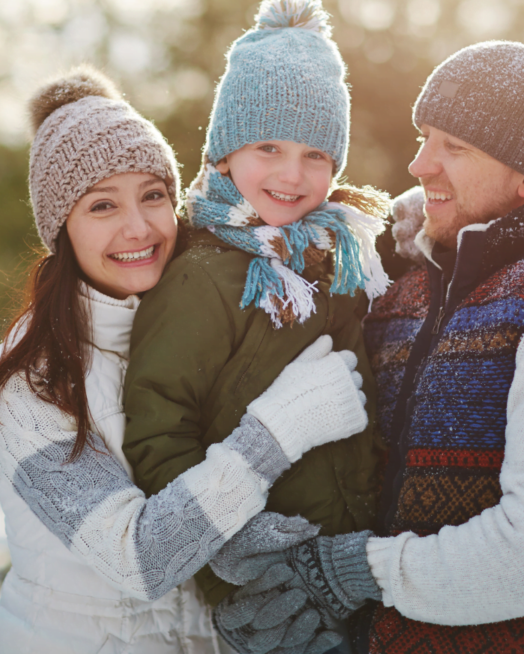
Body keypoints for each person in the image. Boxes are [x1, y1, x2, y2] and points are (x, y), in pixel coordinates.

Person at [0, 65, 370, 654]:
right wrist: (277, 432)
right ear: (62, 228)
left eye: (153, 196)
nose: (138, 228)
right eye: (102, 206)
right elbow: (139, 560)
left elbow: (293, 229)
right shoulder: (23, 388)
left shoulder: (201, 325)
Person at [209, 40, 524, 654]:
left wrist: (351, 572)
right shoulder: (393, 281)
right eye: (423, 138)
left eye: (454, 147)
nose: (420, 166)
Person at [121, 0, 390, 653]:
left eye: (316, 156)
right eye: (268, 147)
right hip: (258, 588)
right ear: (223, 154)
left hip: (346, 573)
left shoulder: (339, 257)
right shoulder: (200, 276)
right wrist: (236, 568)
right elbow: (158, 434)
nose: (292, 176)